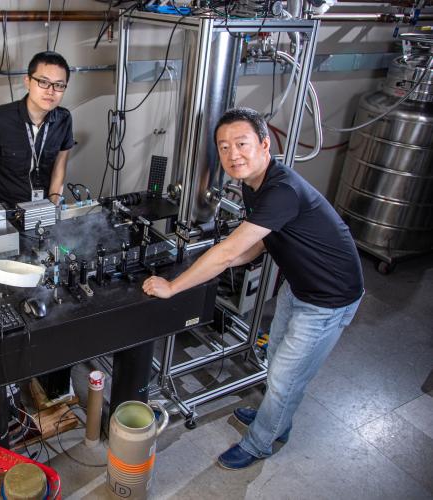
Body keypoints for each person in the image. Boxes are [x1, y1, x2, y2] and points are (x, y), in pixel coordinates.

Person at [142, 107, 363, 470]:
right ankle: (277, 420)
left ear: (264, 145)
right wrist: (226, 260)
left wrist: (174, 286)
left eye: (242, 143)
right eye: (224, 147)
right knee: (276, 362)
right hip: (300, 286)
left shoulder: (282, 190)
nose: (233, 154)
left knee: (286, 378)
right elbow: (259, 240)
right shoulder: (253, 184)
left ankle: (260, 442)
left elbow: (229, 251)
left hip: (329, 299)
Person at [0, 51, 75, 207]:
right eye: (43, 82)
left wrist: (52, 207)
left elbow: (60, 167)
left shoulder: (64, 119)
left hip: (44, 209)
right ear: (28, 82)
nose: (50, 91)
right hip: (6, 212)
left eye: (59, 85)